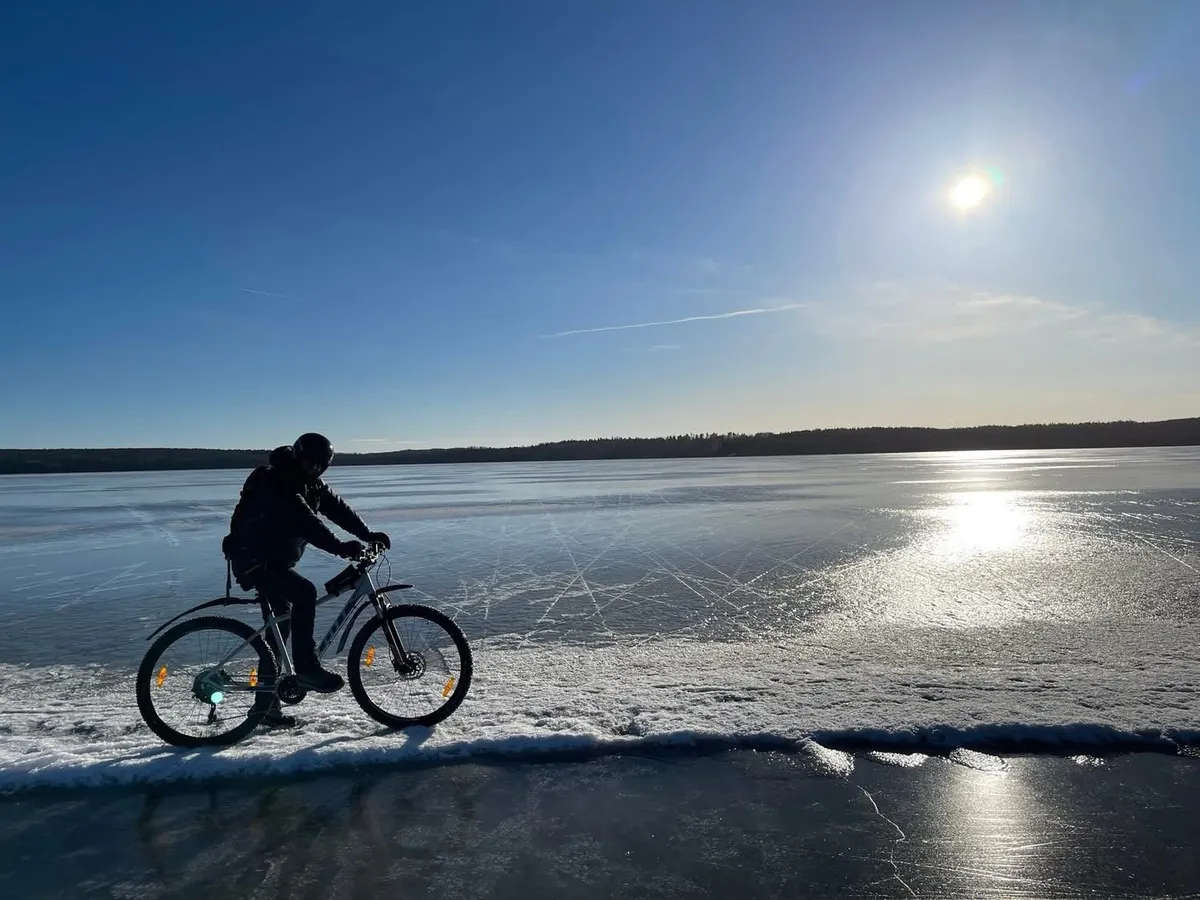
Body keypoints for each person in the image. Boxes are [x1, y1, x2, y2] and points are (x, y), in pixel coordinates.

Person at [222, 432, 391, 729]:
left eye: (320, 465)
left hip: (273, 562)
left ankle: (266, 708)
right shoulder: (278, 481)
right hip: (254, 561)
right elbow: (306, 521)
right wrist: (341, 548)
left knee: (278, 633)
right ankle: (306, 669)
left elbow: (338, 509)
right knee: (304, 593)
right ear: (298, 458)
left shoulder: (311, 484)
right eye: (309, 463)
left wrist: (367, 534)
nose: (314, 468)